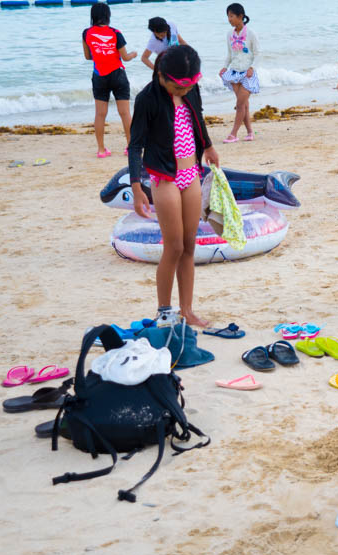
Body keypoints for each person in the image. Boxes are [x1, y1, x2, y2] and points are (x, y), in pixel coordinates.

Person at [128, 45, 220, 328]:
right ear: (162, 75)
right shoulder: (147, 99)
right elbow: (135, 146)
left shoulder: (190, 89)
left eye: (189, 85)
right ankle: (165, 311)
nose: (184, 91)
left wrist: (209, 146)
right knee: (174, 246)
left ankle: (188, 310)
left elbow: (198, 118)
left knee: (190, 245)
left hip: (191, 173)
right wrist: (136, 186)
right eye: (179, 87)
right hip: (163, 177)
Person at [82, 3, 137, 159]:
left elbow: (87, 56)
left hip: (99, 75)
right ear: (108, 15)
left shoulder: (86, 33)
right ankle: (131, 147)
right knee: (125, 113)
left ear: (93, 16)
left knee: (100, 114)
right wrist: (133, 54)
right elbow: (125, 58)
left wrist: (101, 54)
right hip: (118, 75)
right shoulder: (116, 33)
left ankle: (101, 150)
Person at [218, 3, 259, 142]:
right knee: (244, 104)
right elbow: (229, 54)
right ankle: (250, 132)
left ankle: (233, 134)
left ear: (240, 16)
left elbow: (258, 53)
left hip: (248, 74)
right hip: (234, 73)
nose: (229, 19)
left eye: (231, 16)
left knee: (240, 104)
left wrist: (252, 68)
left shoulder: (251, 33)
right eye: (228, 16)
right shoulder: (229, 34)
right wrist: (224, 67)